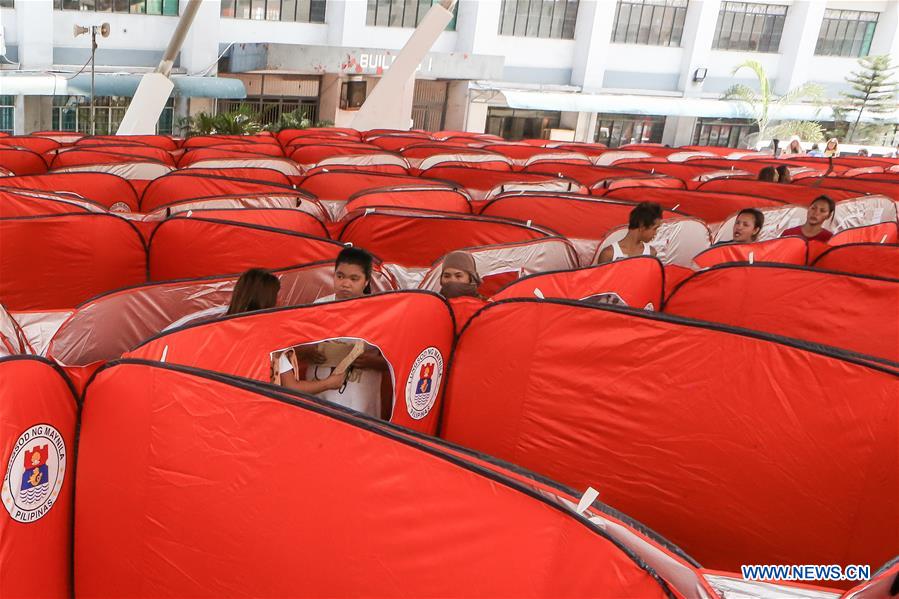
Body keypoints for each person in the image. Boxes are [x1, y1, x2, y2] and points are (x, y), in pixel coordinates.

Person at [277, 246, 391, 419]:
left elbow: (396, 361)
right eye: (340, 276)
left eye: (354, 279)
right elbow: (288, 350)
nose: (345, 283)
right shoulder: (317, 307)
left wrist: (372, 361)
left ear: (367, 281)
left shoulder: (378, 313)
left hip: (360, 403)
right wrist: (307, 352)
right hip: (320, 399)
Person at [162, 268, 279, 331]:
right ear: (265, 300)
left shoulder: (216, 328)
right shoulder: (268, 335)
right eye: (276, 295)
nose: (280, 299)